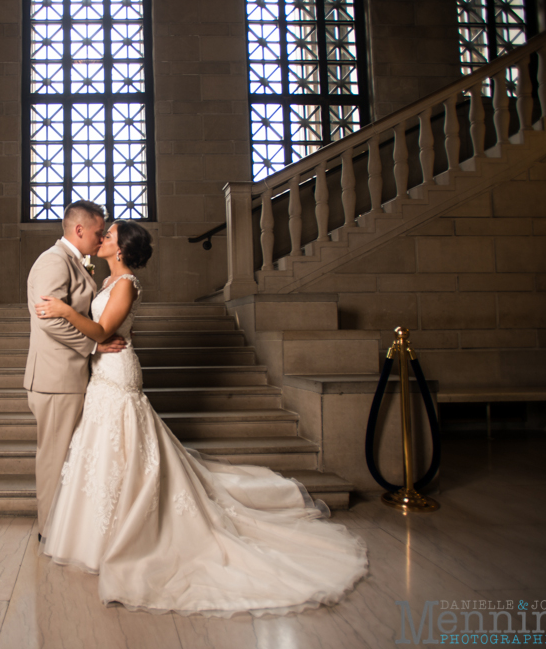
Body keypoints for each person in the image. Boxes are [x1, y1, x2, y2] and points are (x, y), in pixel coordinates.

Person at [34, 220, 369, 617]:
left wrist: (63, 310)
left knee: (126, 444)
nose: (103, 237)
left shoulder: (125, 285)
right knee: (104, 450)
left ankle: (132, 533)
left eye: (109, 235)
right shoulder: (105, 283)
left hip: (119, 370)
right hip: (102, 375)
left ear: (122, 249)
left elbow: (104, 330)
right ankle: (96, 534)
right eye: (103, 233)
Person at [24, 200, 126, 536]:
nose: (101, 239)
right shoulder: (53, 263)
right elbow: (48, 322)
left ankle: (65, 527)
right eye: (98, 233)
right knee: (54, 458)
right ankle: (49, 530)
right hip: (56, 379)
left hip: (71, 376)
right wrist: (94, 345)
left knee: (68, 456)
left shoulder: (74, 261)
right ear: (79, 230)